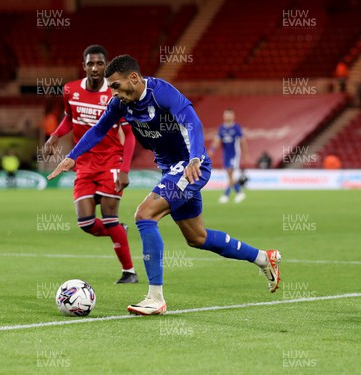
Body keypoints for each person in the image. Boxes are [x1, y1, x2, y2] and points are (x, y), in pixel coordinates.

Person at [48, 55, 280, 315]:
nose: (111, 92)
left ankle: (155, 297)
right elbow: (99, 129)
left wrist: (194, 157)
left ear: (133, 78)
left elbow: (193, 122)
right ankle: (263, 258)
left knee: (144, 215)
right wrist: (72, 157)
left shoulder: (162, 94)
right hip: (171, 169)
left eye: (114, 85)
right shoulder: (120, 104)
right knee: (197, 237)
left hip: (191, 165)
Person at [44, 45, 137, 284]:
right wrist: (55, 135)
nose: (94, 68)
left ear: (106, 66)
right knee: (85, 222)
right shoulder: (70, 90)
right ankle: (119, 231)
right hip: (83, 164)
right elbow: (69, 118)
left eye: (99, 64)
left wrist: (125, 169)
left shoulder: (116, 93)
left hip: (110, 162)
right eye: (90, 64)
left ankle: (129, 271)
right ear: (83, 65)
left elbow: (131, 134)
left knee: (109, 217)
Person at [208, 109, 249, 203]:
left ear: (233, 116)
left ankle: (226, 195)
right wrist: (212, 150)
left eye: (229, 115)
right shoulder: (221, 128)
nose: (228, 116)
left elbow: (243, 141)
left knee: (230, 173)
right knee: (230, 176)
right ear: (223, 116)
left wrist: (246, 154)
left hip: (234, 155)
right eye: (226, 115)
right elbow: (217, 140)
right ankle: (239, 193)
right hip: (226, 155)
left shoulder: (236, 128)